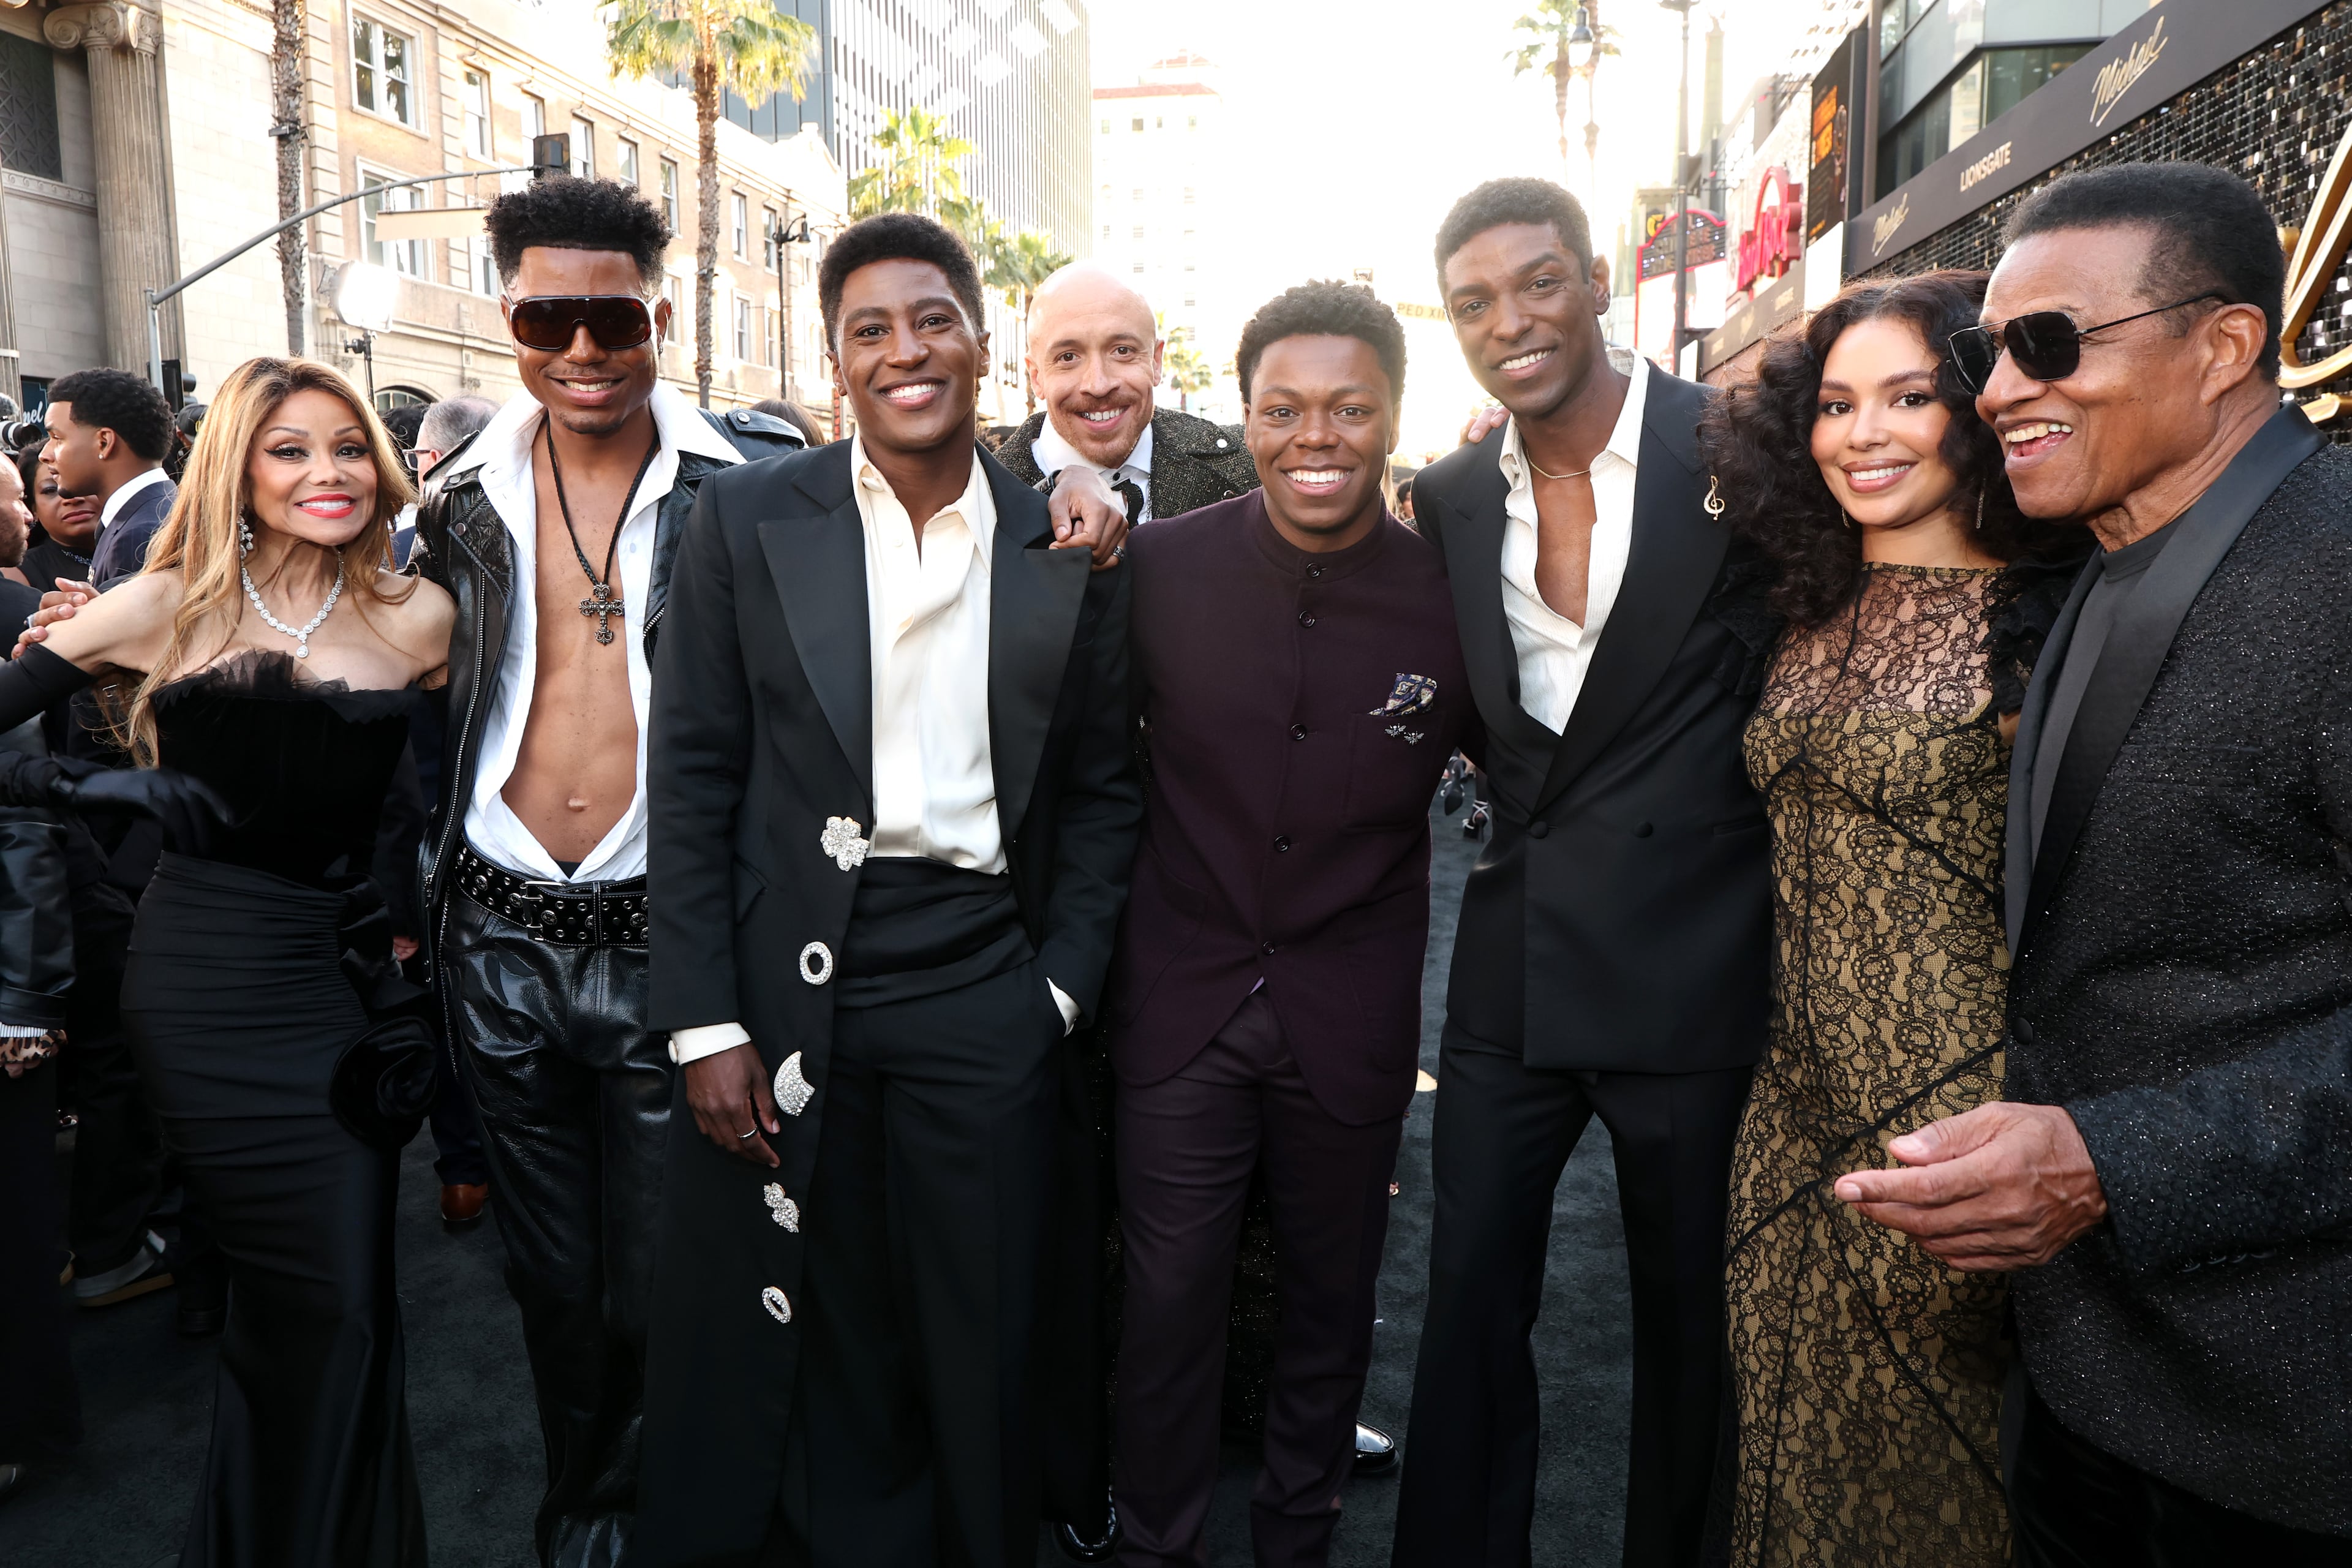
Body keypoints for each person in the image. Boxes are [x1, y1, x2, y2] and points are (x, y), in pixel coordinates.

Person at [1838, 164, 2352, 1560]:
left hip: (2285, 1437)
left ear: (2224, 346)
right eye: (1984, 354)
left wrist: (2109, 1159)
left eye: (2050, 343)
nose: (2000, 390)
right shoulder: (2108, 553)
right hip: (2086, 1386)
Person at [633, 211, 1140, 1568]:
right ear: (837, 359)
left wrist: (1058, 993)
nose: (904, 351)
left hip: (986, 975)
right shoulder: (747, 517)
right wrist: (702, 1019)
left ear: (982, 345)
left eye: (932, 321)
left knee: (985, 1306)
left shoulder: (1066, 535)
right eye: (871, 330)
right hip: (788, 978)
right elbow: (691, 773)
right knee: (832, 1303)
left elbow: (1105, 792)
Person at [403, 176, 805, 1567]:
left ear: (660, 316)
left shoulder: (747, 485)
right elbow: (307, 602)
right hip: (495, 935)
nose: (582, 351)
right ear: (507, 317)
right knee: (550, 1275)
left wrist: (1073, 485)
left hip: (664, 937)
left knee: (664, 1276)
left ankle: (663, 1516)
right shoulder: (451, 499)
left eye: (612, 320)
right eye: (547, 320)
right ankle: (583, 1517)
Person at [0, 353, 452, 1565]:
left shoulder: (420, 617)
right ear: (237, 470)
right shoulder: (162, 606)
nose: (326, 472)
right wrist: (96, 792)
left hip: (337, 990)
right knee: (297, 1295)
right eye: (289, 450)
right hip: (200, 993)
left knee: (347, 1303)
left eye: (348, 448)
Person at [1389, 177, 1774, 1568]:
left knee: (1689, 1326)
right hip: (1512, 963)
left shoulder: (1738, 450)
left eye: (1538, 282)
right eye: (1473, 304)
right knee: (1465, 1305)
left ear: (1599, 279)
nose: (1511, 321)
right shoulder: (1446, 498)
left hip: (1694, 963)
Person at [1697, 271, 2084, 1566]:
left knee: (1936, 1477)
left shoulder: (2048, 627)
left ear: (1976, 410)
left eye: (1908, 397)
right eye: (1834, 404)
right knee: (1786, 1443)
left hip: (1959, 1115)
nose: (1862, 434)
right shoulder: (1792, 609)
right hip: (1786, 1105)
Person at [1099, 281, 1472, 1567]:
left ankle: (1296, 1543)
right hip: (1179, 1006)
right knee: (1165, 1310)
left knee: (1331, 1310)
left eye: (1349, 409)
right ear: (1244, 417)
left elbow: (1540, 783)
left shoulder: (1450, 597)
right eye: (1284, 409)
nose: (1316, 436)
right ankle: (1154, 1547)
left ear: (1393, 416)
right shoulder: (1157, 566)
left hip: (1351, 1018)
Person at [995, 262, 1259, 521]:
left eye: (1122, 351)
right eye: (1068, 357)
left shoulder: (1254, 467)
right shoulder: (985, 499)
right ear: (1036, 376)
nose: (1098, 385)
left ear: (1156, 361)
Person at [43, 368, 178, 584]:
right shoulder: (151, 512)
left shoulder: (140, 536)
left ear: (104, 442)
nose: (44, 455)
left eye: (57, 438)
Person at [19, 447, 100, 599]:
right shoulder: (18, 573)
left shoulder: (144, 548)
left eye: (84, 482)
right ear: (33, 508)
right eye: (51, 490)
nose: (72, 498)